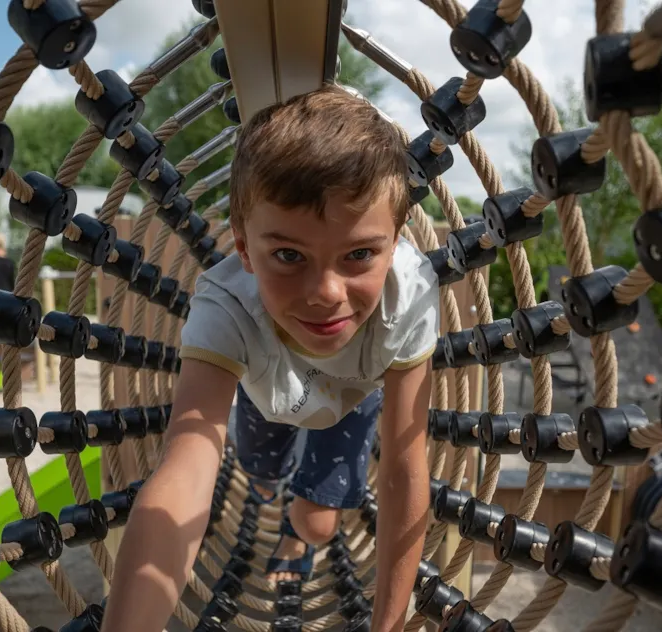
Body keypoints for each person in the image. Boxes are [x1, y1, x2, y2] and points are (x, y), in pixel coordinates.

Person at [101, 85, 438, 632]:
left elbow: (403, 465)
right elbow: (185, 470)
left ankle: (294, 534)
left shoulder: (410, 295)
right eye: (287, 255)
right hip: (266, 394)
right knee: (260, 474)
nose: (327, 292)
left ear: (395, 241)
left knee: (317, 523)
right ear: (243, 246)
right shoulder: (226, 305)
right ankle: (271, 488)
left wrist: (388, 625)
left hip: (350, 401)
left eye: (359, 254)